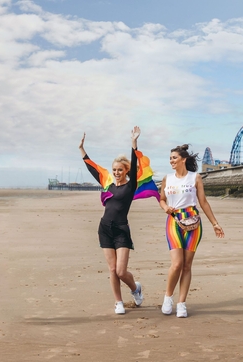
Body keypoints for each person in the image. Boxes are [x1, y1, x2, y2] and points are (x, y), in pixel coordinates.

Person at [79, 126, 159, 314]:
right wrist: (82, 150)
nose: (116, 172)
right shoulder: (107, 183)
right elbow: (92, 168)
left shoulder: (130, 186)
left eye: (119, 170)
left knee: (122, 271)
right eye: (114, 169)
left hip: (122, 230)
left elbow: (134, 160)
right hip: (105, 228)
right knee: (113, 270)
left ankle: (135, 289)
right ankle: (118, 302)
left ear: (125, 171)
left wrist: (134, 143)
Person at [159, 144, 225, 318]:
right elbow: (161, 199)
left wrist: (215, 223)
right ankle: (168, 297)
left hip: (193, 221)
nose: (171, 160)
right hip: (174, 221)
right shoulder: (167, 179)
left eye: (174, 158)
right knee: (177, 264)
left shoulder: (195, 178)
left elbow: (203, 202)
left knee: (187, 265)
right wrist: (165, 207)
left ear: (183, 159)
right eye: (170, 158)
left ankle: (181, 303)